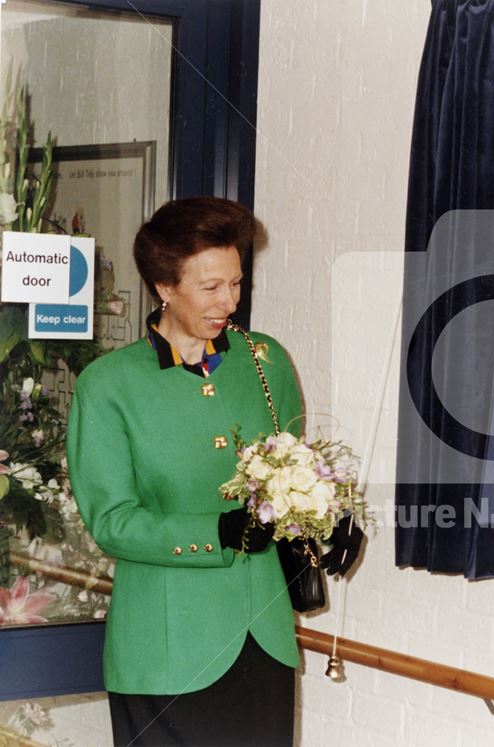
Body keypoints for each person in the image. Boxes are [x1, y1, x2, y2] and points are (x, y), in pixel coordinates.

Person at [66, 197, 358, 746]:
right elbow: (112, 522)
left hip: (262, 639)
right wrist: (216, 533)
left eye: (236, 283)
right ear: (164, 287)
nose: (229, 301)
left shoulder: (264, 361)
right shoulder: (109, 386)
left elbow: (293, 475)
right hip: (167, 652)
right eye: (210, 287)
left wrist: (329, 521)